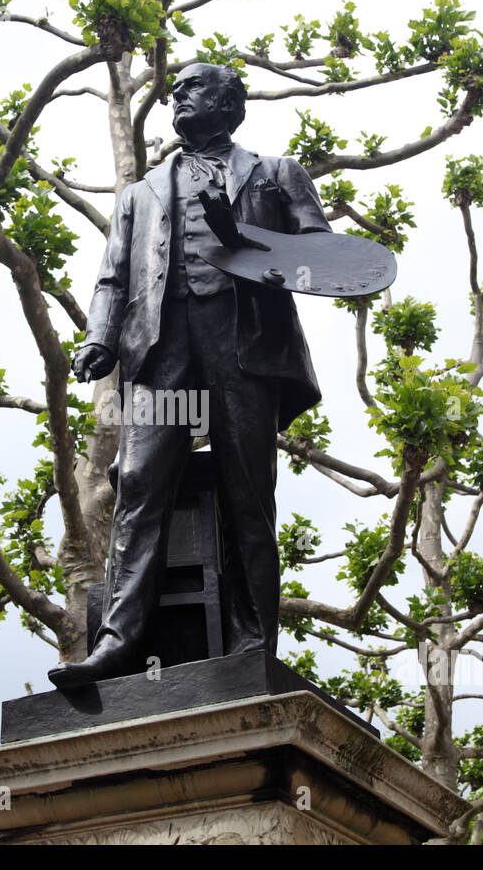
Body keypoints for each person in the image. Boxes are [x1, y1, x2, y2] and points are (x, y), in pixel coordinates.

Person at [48, 63, 328, 689]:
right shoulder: (141, 193)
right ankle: (118, 643)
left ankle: (252, 642)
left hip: (243, 345)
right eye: (175, 91)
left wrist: (247, 243)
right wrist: (98, 338)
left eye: (193, 88)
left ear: (229, 104)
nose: (176, 96)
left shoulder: (277, 174)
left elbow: (323, 257)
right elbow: (112, 279)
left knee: (247, 493)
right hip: (161, 350)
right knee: (140, 485)